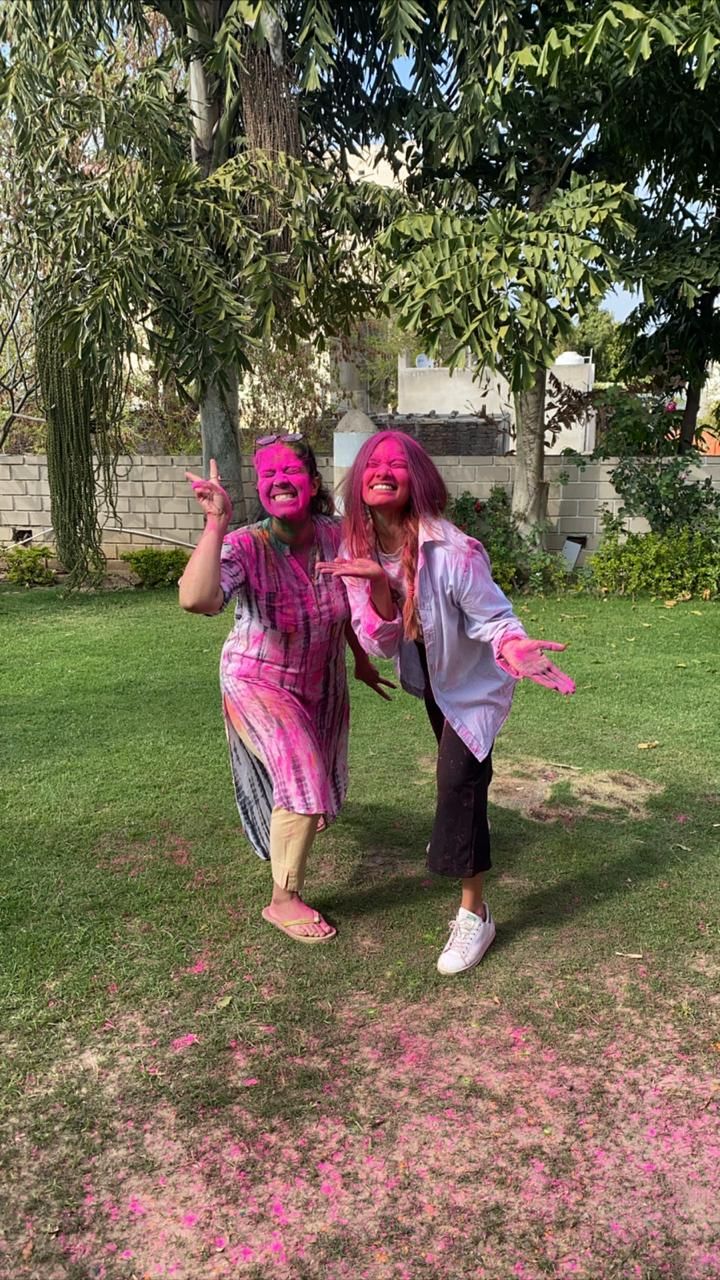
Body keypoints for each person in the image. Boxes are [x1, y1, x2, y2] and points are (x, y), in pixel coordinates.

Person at [317, 431, 575, 975]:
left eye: (396, 465)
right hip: (430, 680)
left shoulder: (452, 550)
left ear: (418, 480)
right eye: (373, 464)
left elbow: (494, 619)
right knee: (466, 779)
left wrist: (514, 645)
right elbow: (380, 642)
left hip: (472, 682)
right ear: (359, 479)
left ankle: (474, 914)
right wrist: (381, 588)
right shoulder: (356, 552)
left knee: (458, 778)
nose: (382, 471)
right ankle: (473, 864)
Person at [178, 435, 393, 944]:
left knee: (310, 787)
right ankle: (284, 900)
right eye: (268, 474)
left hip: (321, 683)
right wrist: (216, 523)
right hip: (258, 680)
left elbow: (344, 601)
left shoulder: (337, 536)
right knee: (301, 772)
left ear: (313, 483)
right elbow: (196, 599)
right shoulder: (246, 545)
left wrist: (361, 661)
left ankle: (299, 806)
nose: (279, 481)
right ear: (259, 488)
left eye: (290, 471)